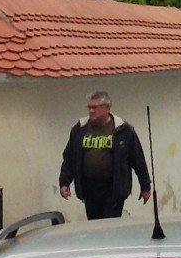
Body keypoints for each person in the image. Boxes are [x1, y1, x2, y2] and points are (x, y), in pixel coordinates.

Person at [58, 90, 152, 221]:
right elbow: (69, 158)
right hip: (89, 188)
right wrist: (64, 183)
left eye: (95, 107)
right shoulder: (80, 129)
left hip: (113, 188)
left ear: (107, 108)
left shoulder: (123, 130)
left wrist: (145, 186)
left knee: (109, 226)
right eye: (89, 107)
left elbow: (137, 159)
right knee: (95, 225)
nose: (91, 111)